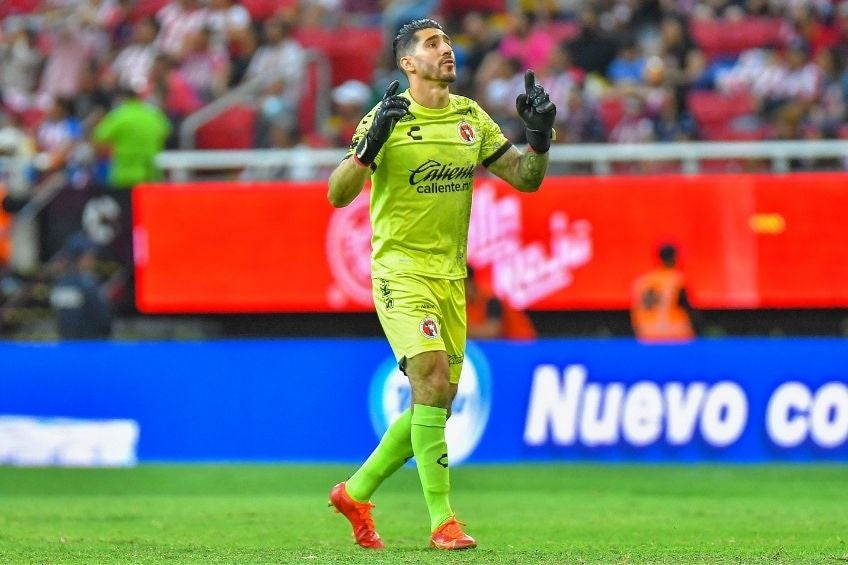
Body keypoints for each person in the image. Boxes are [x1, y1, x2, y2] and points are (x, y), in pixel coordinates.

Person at [326, 18, 555, 550]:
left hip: (451, 278)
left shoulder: (470, 117)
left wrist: (540, 139)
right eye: (433, 45)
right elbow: (337, 195)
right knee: (428, 377)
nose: (446, 51)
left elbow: (526, 179)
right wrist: (367, 149)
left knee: (438, 401)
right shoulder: (386, 119)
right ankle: (443, 522)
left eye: (448, 43)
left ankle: (355, 492)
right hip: (399, 271)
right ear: (408, 63)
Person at [49, 232, 112, 340]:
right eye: (90, 255)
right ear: (81, 257)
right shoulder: (88, 284)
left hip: (67, 347)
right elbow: (104, 321)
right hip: (91, 348)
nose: (93, 260)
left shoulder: (59, 284)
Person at [630, 243, 699, 342]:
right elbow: (688, 308)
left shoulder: (642, 282)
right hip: (674, 335)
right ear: (674, 257)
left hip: (646, 335)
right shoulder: (676, 279)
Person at [465, 264, 537, 340]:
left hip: (523, 344)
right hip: (499, 347)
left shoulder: (491, 300)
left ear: (470, 284)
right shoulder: (462, 305)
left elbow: (492, 332)